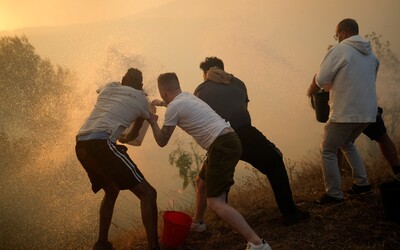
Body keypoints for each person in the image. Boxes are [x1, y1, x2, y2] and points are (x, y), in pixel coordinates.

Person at [148, 72, 272, 250]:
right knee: (201, 183)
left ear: (163, 92)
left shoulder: (174, 107)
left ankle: (257, 243)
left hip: (222, 145)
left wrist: (152, 122)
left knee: (216, 202)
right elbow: (172, 104)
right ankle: (198, 224)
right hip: (227, 139)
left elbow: (161, 141)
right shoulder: (186, 97)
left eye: (162, 96)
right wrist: (160, 103)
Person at [190, 56, 309, 229]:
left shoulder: (201, 89)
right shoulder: (238, 83)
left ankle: (213, 218)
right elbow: (243, 109)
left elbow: (201, 120)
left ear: (206, 73)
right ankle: (290, 213)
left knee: (208, 179)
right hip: (246, 133)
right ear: (222, 68)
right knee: (275, 162)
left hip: (221, 139)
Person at [75, 68, 159, 250]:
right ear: (141, 86)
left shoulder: (109, 87)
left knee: (112, 189)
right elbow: (136, 132)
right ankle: (154, 247)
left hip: (81, 143)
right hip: (102, 143)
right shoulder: (141, 99)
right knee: (148, 194)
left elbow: (105, 90)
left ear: (122, 80)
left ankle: (102, 243)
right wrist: (127, 138)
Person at [307, 18, 379, 205]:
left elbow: (322, 80)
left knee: (327, 149)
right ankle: (362, 184)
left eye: (337, 34)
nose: (337, 38)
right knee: (347, 142)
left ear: (343, 33)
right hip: (368, 112)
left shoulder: (340, 49)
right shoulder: (372, 55)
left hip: (345, 111)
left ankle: (334, 194)